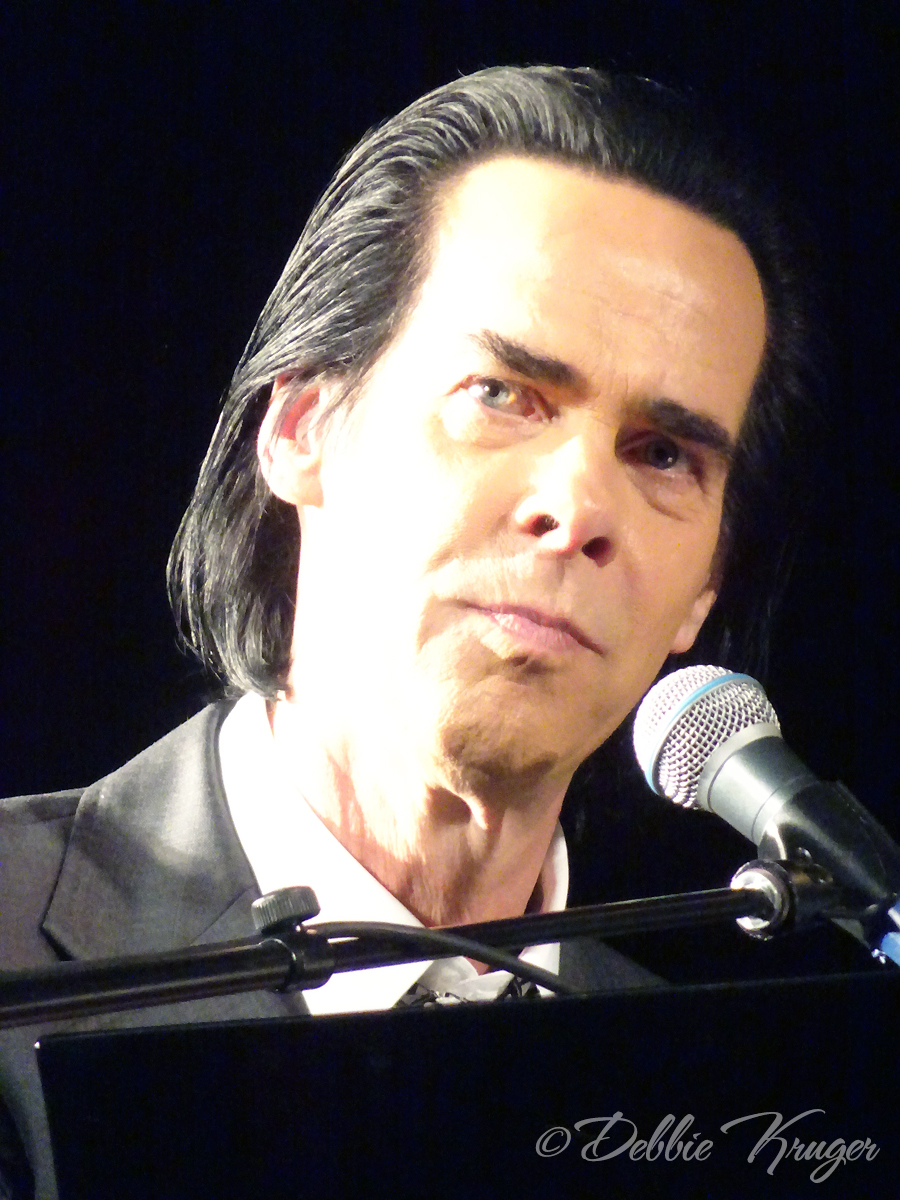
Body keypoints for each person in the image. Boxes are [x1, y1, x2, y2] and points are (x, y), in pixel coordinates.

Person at [0, 65, 815, 1198]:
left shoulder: (723, 1110)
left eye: (663, 454)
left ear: (703, 591)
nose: (579, 506)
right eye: (503, 394)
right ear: (301, 428)